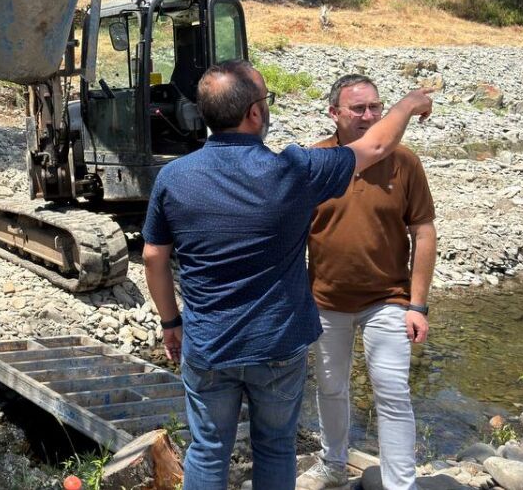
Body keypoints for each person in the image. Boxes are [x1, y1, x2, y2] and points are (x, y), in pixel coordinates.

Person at [141, 60, 433, 490]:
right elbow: (375, 147)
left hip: (209, 344)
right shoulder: (295, 170)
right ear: (254, 113)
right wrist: (408, 103)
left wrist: (171, 322)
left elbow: (153, 257)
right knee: (276, 447)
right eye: (266, 100)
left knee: (207, 450)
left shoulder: (172, 177)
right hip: (278, 342)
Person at [299, 75, 438, 490]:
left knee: (392, 391)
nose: (368, 115)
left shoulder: (404, 161)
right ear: (334, 113)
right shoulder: (316, 161)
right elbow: (292, 234)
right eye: (357, 108)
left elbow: (424, 232)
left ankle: (400, 484)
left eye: (375, 107)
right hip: (325, 300)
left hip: (388, 299)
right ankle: (334, 464)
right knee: (330, 388)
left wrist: (418, 305)